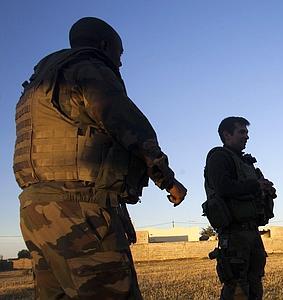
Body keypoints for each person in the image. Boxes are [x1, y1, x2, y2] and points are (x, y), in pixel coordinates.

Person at [13, 17, 187, 299]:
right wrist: (168, 181)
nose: (120, 64)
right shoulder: (89, 69)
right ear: (105, 46)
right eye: (120, 55)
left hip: (35, 209)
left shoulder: (37, 87)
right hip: (79, 208)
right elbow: (131, 127)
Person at [204, 116, 276, 300]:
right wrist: (255, 185)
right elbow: (223, 186)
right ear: (226, 135)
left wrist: (265, 189)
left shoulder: (245, 162)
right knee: (237, 289)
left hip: (252, 232)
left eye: (247, 133)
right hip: (234, 234)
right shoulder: (219, 157)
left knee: (255, 286)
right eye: (242, 132)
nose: (247, 137)